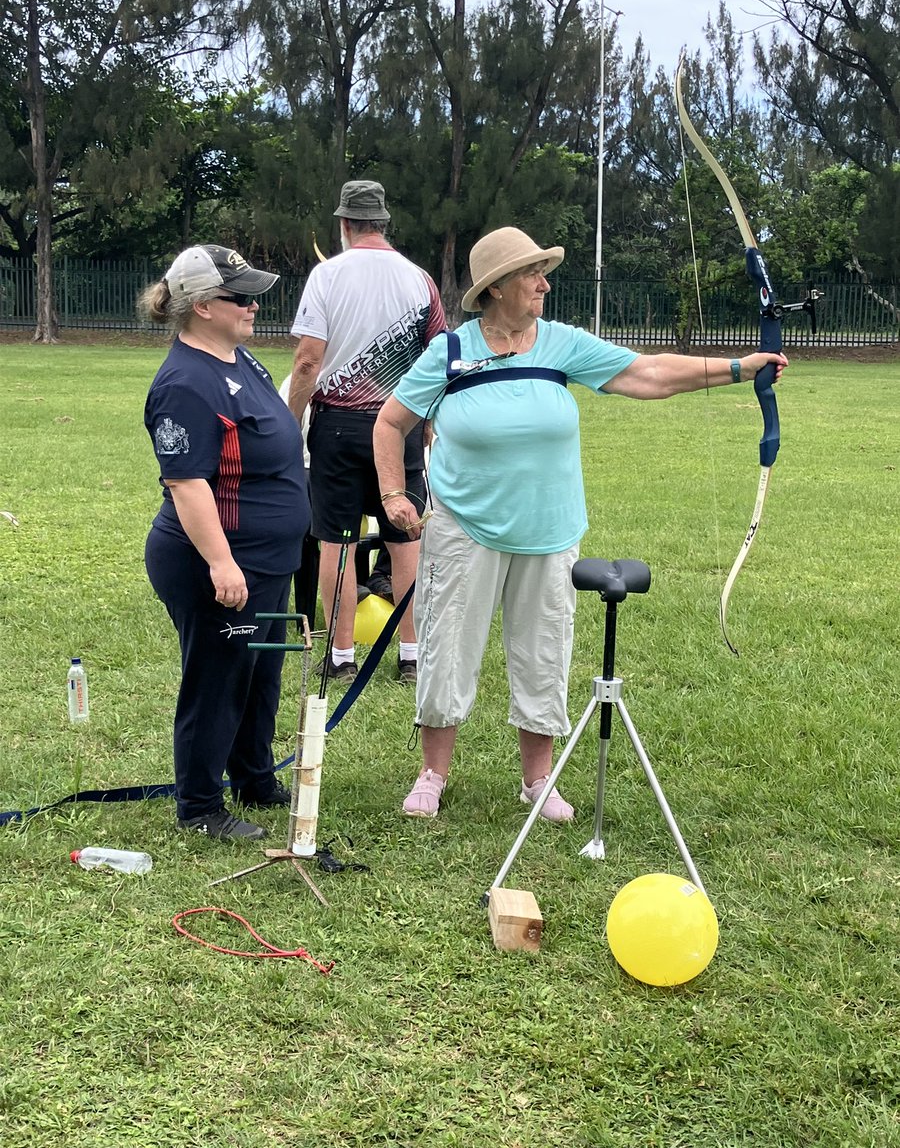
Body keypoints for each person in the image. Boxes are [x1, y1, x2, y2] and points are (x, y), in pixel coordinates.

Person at [373, 226, 788, 820]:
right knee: (447, 650)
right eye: (531, 274)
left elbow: (644, 374)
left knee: (544, 652)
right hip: (463, 528)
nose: (544, 283)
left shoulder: (561, 343)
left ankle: (537, 779)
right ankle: (432, 773)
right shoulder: (451, 352)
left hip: (549, 531)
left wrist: (738, 367)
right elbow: (390, 423)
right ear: (495, 289)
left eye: (544, 272)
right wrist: (394, 493)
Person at [140, 244, 310, 840]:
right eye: (242, 297)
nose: (255, 306)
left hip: (266, 558)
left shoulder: (242, 361)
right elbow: (187, 484)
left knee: (259, 674)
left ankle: (254, 777)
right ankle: (200, 806)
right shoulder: (186, 383)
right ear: (205, 305)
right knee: (216, 680)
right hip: (217, 561)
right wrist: (221, 563)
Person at [288, 179, 446, 685]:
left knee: (336, 541)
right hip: (400, 424)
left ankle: (339, 655)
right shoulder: (420, 279)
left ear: (344, 225)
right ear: (383, 223)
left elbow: (309, 360)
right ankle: (411, 652)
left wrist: (291, 421)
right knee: (405, 540)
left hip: (336, 426)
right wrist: (426, 423)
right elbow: (439, 357)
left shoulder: (327, 274)